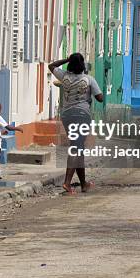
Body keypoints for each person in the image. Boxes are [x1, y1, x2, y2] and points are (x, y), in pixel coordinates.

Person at [48, 53, 104, 195]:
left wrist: (66, 59)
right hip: (82, 115)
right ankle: (67, 182)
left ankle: (84, 184)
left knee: (78, 148)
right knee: (76, 148)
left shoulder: (64, 77)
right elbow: (100, 98)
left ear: (70, 64)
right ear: (83, 65)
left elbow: (51, 66)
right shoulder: (89, 79)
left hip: (67, 116)